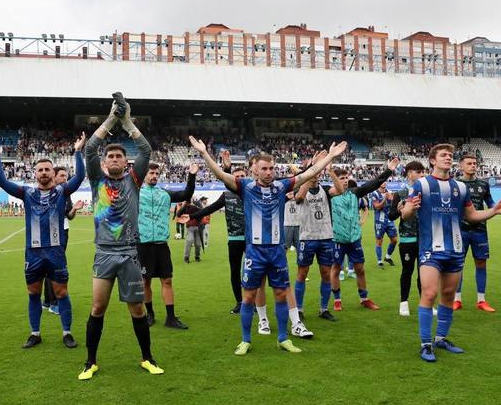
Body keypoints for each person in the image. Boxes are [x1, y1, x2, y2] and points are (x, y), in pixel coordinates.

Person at [190, 135, 347, 355]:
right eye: (264, 168)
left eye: (271, 168)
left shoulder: (281, 186)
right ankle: (246, 340)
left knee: (281, 295)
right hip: (254, 252)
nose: (269, 172)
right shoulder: (244, 187)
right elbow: (220, 174)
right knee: (248, 297)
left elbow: (310, 173)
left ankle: (283, 338)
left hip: (277, 251)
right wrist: (204, 153)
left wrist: (330, 156)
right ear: (254, 170)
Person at [401, 143, 501, 362]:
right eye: (443, 155)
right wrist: (409, 208)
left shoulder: (460, 188)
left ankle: (441, 338)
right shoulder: (421, 185)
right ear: (433, 160)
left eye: (450, 155)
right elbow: (406, 213)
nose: (448, 158)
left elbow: (471, 216)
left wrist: (493, 211)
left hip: (455, 249)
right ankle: (425, 344)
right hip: (430, 250)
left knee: (447, 295)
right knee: (429, 293)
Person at [79, 98, 164, 380]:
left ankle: (147, 357)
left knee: (137, 308)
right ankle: (90, 361)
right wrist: (110, 120)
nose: (115, 159)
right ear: (103, 164)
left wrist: (127, 123)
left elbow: (146, 149)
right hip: (104, 252)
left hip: (129, 252)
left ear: (126, 163)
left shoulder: (134, 180)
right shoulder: (96, 181)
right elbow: (90, 148)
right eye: (110, 157)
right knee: (97, 307)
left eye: (119, 157)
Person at [0, 134, 86, 349]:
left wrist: (78, 151)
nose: (43, 173)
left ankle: (67, 333)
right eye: (40, 170)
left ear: (53, 173)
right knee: (33, 293)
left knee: (61, 293)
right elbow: (2, 182)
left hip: (55, 252)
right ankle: (35, 333)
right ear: (35, 173)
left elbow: (79, 177)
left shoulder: (61, 191)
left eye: (47, 170)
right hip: (32, 253)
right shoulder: (27, 193)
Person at [329, 159, 399, 317]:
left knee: (360, 269)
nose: (345, 181)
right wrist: (329, 171)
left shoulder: (355, 193)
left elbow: (373, 184)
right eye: (342, 178)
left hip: (355, 239)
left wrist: (388, 170)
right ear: (335, 180)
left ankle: (364, 298)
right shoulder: (330, 194)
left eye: (347, 178)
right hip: (337, 239)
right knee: (335, 269)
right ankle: (337, 300)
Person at [138, 162, 196, 329]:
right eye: (151, 173)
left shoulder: (164, 194)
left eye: (156, 173)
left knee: (167, 280)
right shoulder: (135, 193)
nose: (154, 176)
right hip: (143, 244)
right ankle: (149, 314)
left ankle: (170, 318)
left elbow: (187, 193)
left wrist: (191, 176)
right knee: (145, 282)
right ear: (144, 175)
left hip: (162, 244)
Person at [184, 165, 247, 314]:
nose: (239, 179)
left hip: (252, 239)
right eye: (236, 176)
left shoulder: (252, 192)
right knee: (235, 271)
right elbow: (210, 209)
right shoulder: (226, 195)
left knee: (254, 272)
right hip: (234, 238)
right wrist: (193, 216)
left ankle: (255, 301)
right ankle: (239, 302)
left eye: (242, 176)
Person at [293, 165, 344, 332]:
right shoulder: (301, 188)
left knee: (325, 274)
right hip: (307, 238)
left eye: (318, 173)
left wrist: (330, 171)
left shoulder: (326, 190)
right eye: (313, 173)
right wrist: (308, 179)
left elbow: (341, 190)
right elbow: (299, 198)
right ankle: (299, 310)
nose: (316, 176)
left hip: (326, 237)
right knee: (302, 273)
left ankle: (324, 309)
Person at [454, 154, 496, 312]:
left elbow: (490, 202)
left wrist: (496, 208)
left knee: (481, 263)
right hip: (460, 230)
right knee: (458, 264)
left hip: (479, 230)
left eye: (474, 163)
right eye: (469, 163)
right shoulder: (455, 184)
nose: (473, 166)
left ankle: (481, 300)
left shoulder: (483, 185)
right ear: (461, 166)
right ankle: (457, 299)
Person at [43, 166, 84, 313]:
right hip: (53, 232)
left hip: (63, 230)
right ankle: (54, 303)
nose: (65, 178)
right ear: (53, 176)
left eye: (66, 176)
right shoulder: (47, 192)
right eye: (62, 175)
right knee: (55, 267)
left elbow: (69, 216)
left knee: (50, 266)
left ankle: (48, 301)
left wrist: (75, 209)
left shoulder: (65, 193)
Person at [389, 161, 426, 316]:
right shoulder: (400, 194)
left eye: (423, 172)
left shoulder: (428, 193)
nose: (422, 175)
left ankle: (426, 303)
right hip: (407, 239)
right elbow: (391, 216)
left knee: (424, 273)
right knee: (407, 271)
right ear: (410, 173)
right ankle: (404, 303)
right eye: (419, 172)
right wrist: (398, 210)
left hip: (425, 239)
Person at [370, 183, 398, 268]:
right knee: (379, 241)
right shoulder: (375, 194)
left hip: (389, 219)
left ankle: (388, 257)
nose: (385, 182)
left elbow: (393, 205)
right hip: (380, 220)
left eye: (386, 181)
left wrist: (392, 199)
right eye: (383, 181)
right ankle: (379, 261)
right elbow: (377, 206)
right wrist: (385, 199)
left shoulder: (389, 192)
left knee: (394, 240)